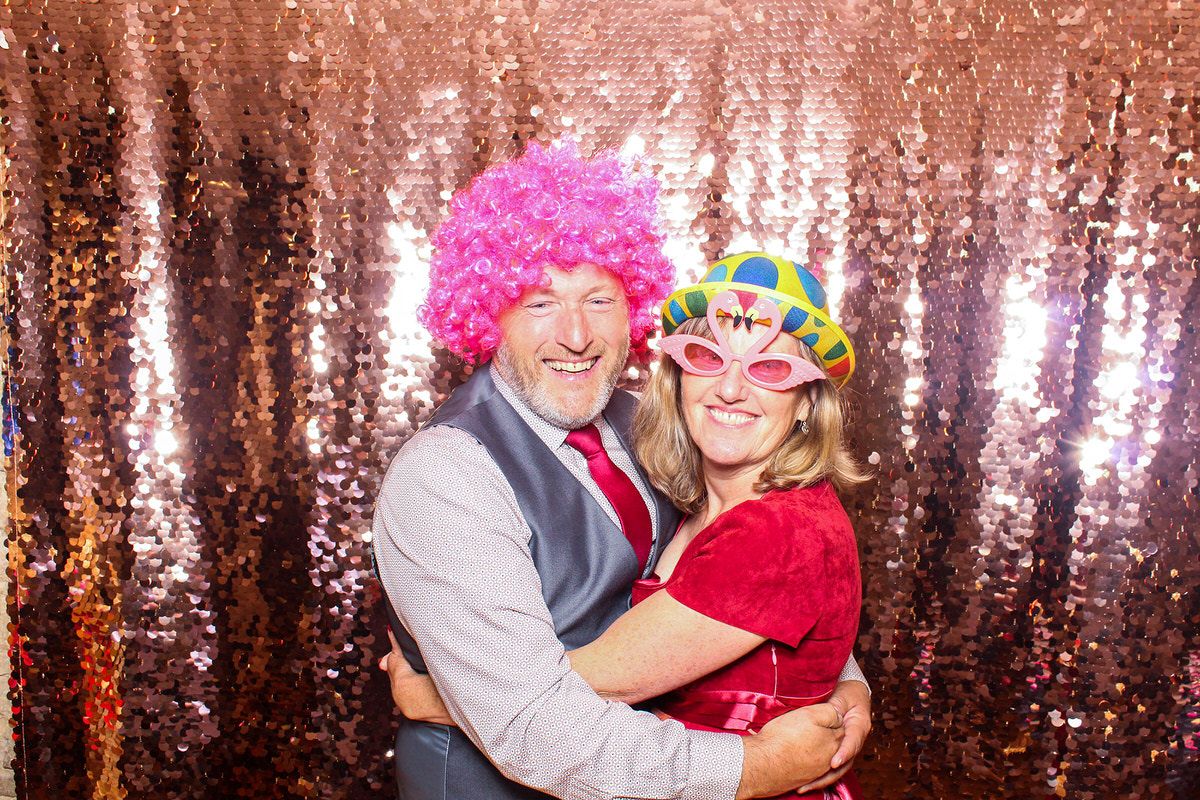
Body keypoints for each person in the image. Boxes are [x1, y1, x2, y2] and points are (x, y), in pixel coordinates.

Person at [371, 139, 870, 800]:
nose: (576, 335)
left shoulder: (651, 428)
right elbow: (530, 725)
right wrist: (762, 766)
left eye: (599, 301)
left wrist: (841, 680)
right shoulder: (446, 479)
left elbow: (757, 589)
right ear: (491, 311)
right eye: (541, 303)